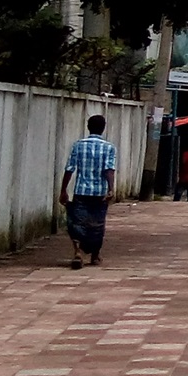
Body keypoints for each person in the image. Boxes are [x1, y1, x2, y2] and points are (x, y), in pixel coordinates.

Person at [59, 114, 117, 269]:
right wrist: (111, 189)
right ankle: (95, 255)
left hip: (81, 191)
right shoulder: (109, 147)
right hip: (99, 193)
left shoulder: (78, 145)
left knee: (77, 222)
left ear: (88, 127)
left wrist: (63, 189)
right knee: (97, 224)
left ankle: (78, 252)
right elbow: (109, 170)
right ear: (103, 128)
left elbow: (69, 169)